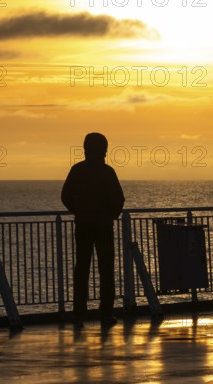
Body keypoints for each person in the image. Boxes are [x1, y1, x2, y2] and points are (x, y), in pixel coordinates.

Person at [61, 133, 125, 328]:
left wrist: (78, 211)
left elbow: (65, 196)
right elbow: (119, 199)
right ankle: (106, 313)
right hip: (104, 226)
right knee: (106, 270)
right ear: (103, 150)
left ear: (85, 149)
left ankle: (79, 314)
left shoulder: (77, 170)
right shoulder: (107, 172)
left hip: (83, 225)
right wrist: (111, 215)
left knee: (82, 269)